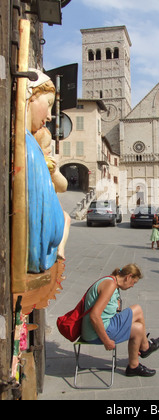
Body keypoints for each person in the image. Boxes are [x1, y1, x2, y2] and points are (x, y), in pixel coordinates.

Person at [81, 264, 159, 377]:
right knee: (138, 311)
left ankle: (135, 364)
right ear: (128, 277)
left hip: (93, 329)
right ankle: (144, 348)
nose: (133, 286)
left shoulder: (110, 281)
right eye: (133, 282)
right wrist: (106, 341)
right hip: (96, 332)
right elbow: (94, 316)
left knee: (138, 326)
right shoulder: (110, 285)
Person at [25, 69, 65, 272]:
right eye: (48, 105)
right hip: (37, 254)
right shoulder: (28, 145)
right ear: (30, 97)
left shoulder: (30, 144)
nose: (50, 116)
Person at [34, 126, 71, 260]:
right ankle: (58, 249)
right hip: (45, 206)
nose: (50, 149)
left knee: (66, 217)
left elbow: (63, 186)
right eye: (46, 146)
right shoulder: (37, 162)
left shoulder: (50, 165)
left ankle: (60, 249)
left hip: (50, 206)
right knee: (65, 217)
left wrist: (55, 172)